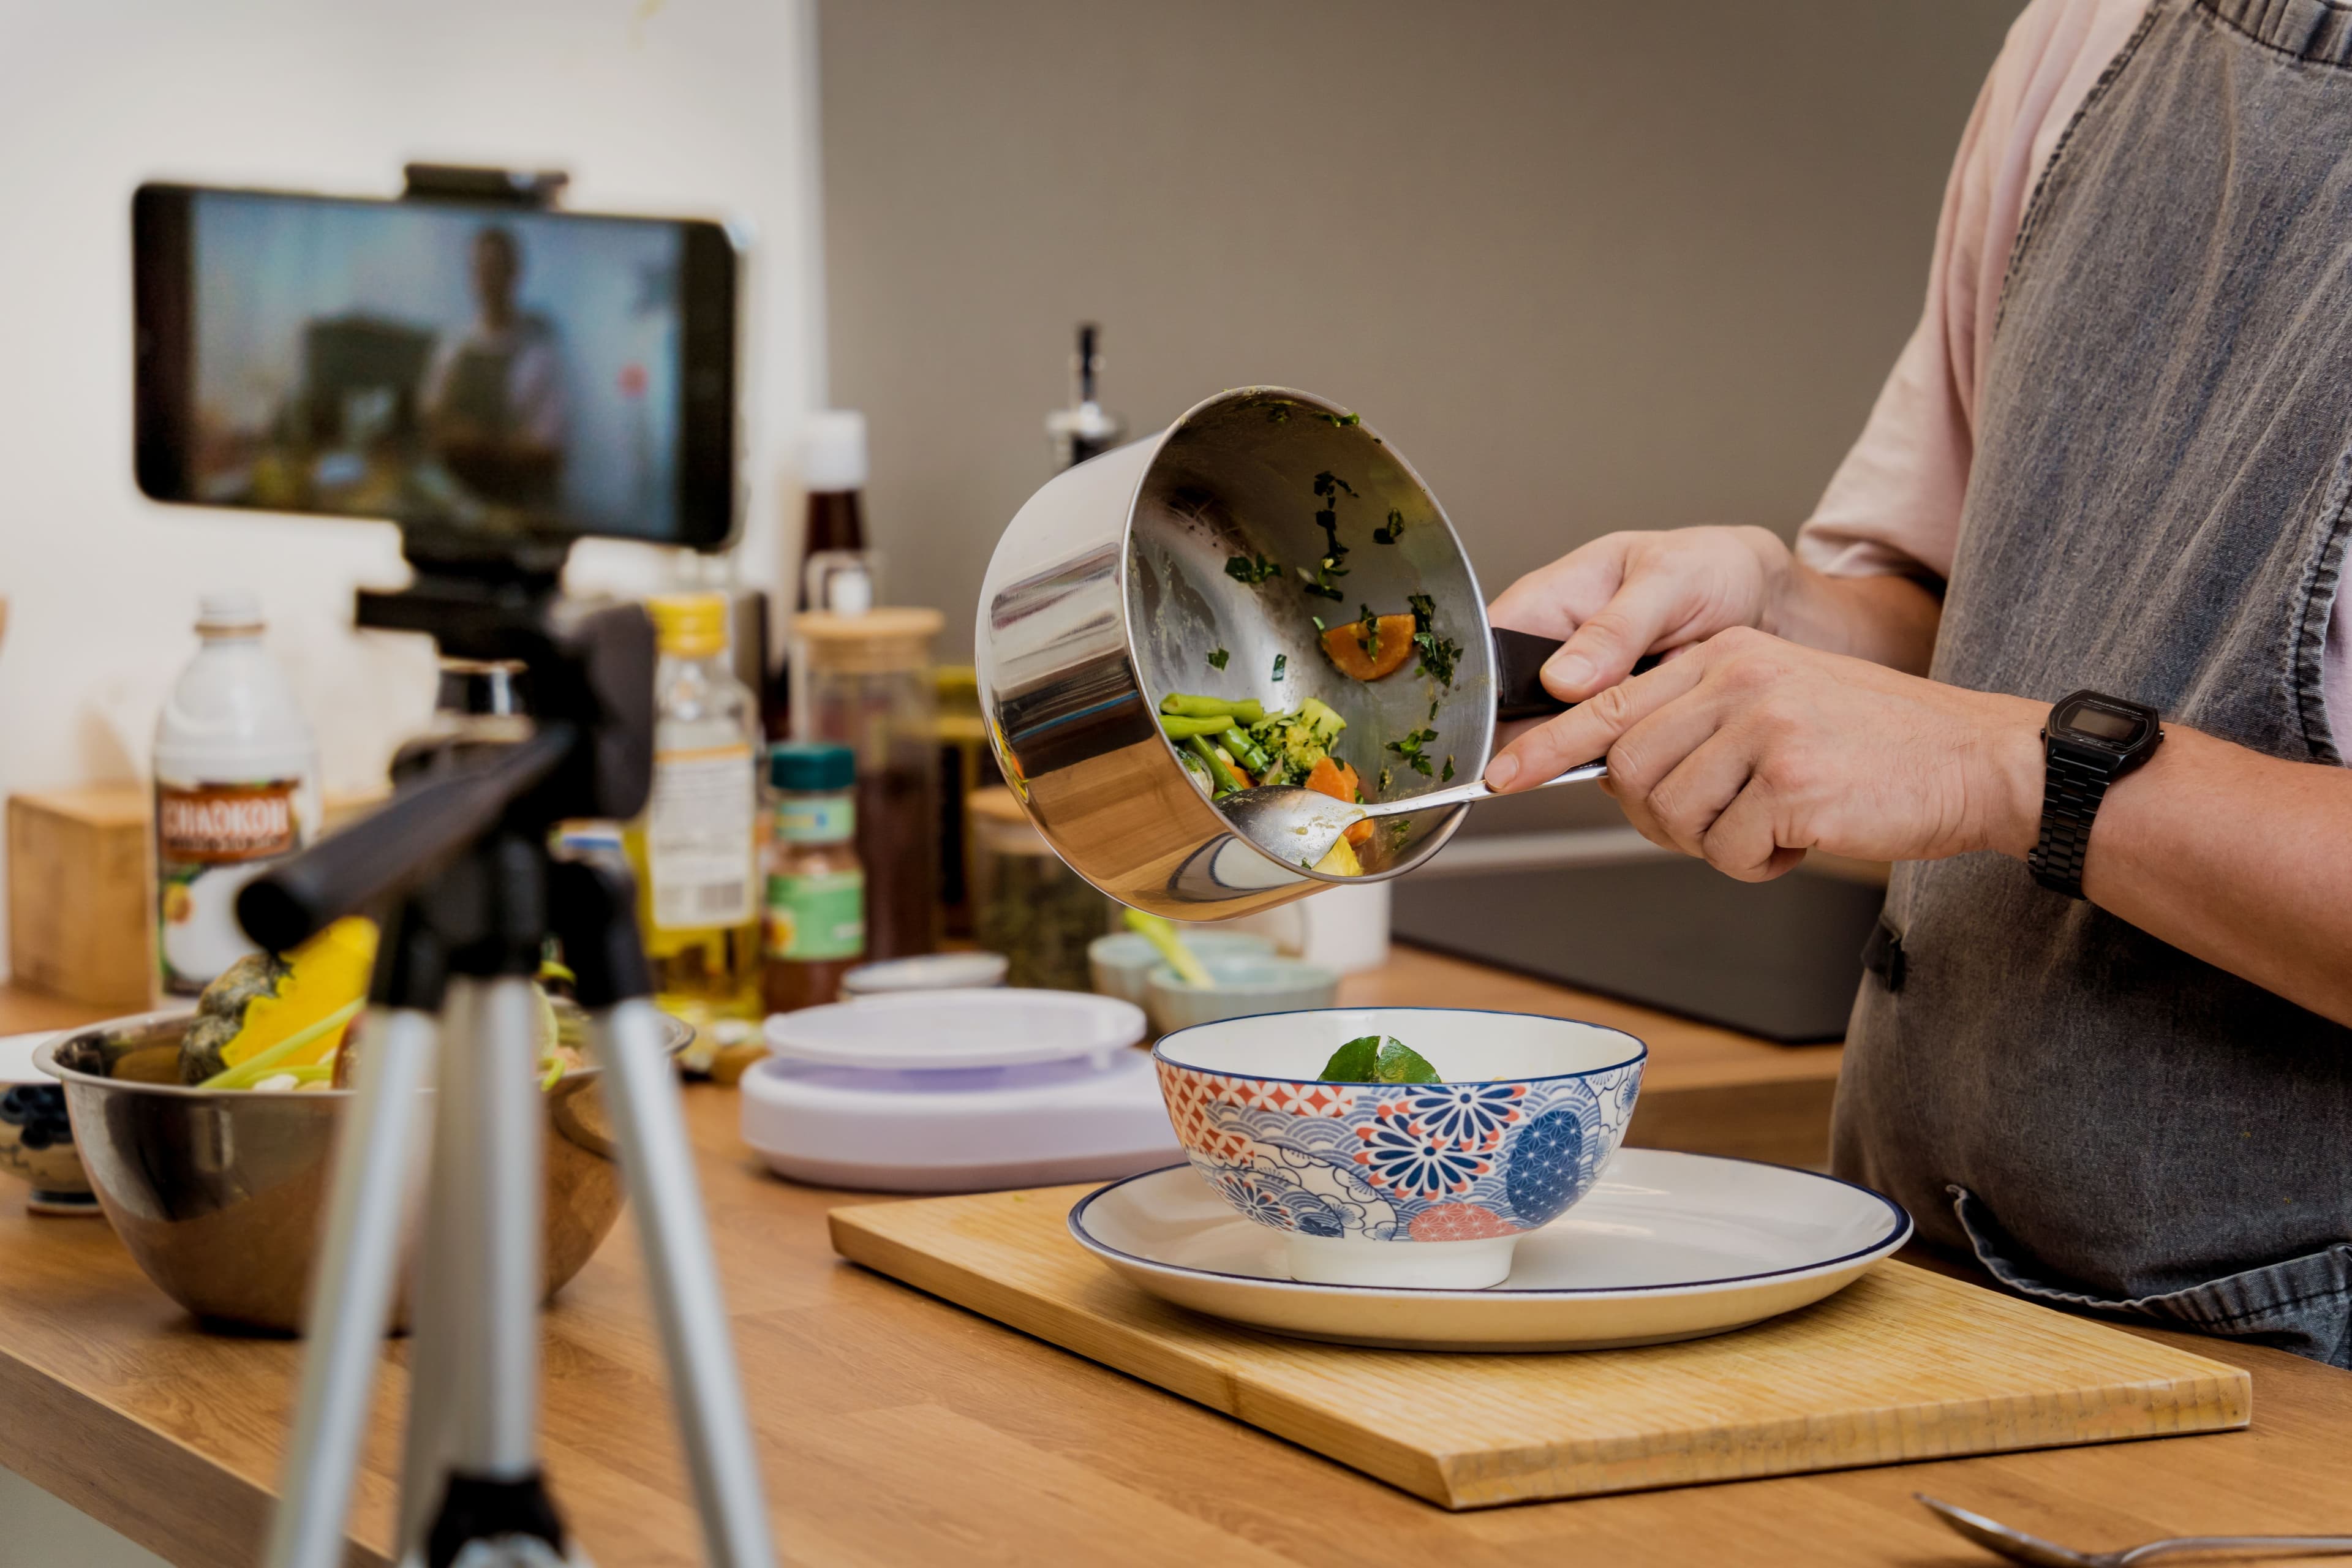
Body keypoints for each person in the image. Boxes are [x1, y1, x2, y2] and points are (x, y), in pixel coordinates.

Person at [1486, 0, 2352, 1365]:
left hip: (2302, 1379)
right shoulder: (2099, 35)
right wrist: (1776, 619)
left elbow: (1977, 737)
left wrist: (2012, 768)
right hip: (1923, 1270)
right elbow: (1965, 612)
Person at [420, 225, 568, 511]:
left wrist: (482, 442)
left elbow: (549, 449)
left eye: (495, 269)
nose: (487, 280)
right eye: (479, 270)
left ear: (515, 274)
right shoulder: (453, 346)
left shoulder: (538, 355)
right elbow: (430, 417)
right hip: (452, 498)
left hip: (512, 502)